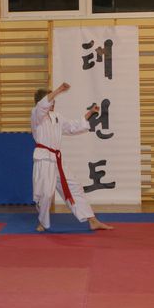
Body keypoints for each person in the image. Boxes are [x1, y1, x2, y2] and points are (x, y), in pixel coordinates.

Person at [31, 82, 113, 232]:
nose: (53, 103)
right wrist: (59, 90)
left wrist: (89, 114)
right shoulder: (37, 115)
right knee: (46, 193)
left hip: (57, 160)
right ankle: (42, 222)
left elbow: (72, 126)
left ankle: (92, 220)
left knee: (74, 187)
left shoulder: (56, 117)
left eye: (54, 101)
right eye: (51, 100)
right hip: (44, 159)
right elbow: (43, 105)